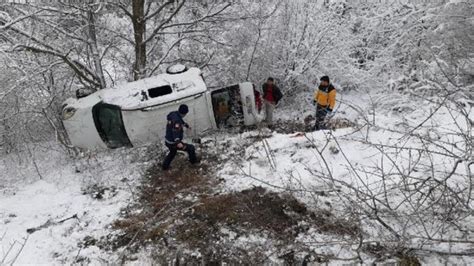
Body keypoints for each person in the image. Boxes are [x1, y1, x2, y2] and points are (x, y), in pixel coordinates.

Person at [162, 104, 198, 170]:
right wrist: (178, 142)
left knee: (173, 152)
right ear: (184, 113)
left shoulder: (174, 114)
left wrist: (186, 125)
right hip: (173, 143)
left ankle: (165, 166)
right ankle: (194, 163)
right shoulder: (177, 122)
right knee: (191, 148)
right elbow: (175, 131)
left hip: (168, 141)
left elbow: (179, 120)